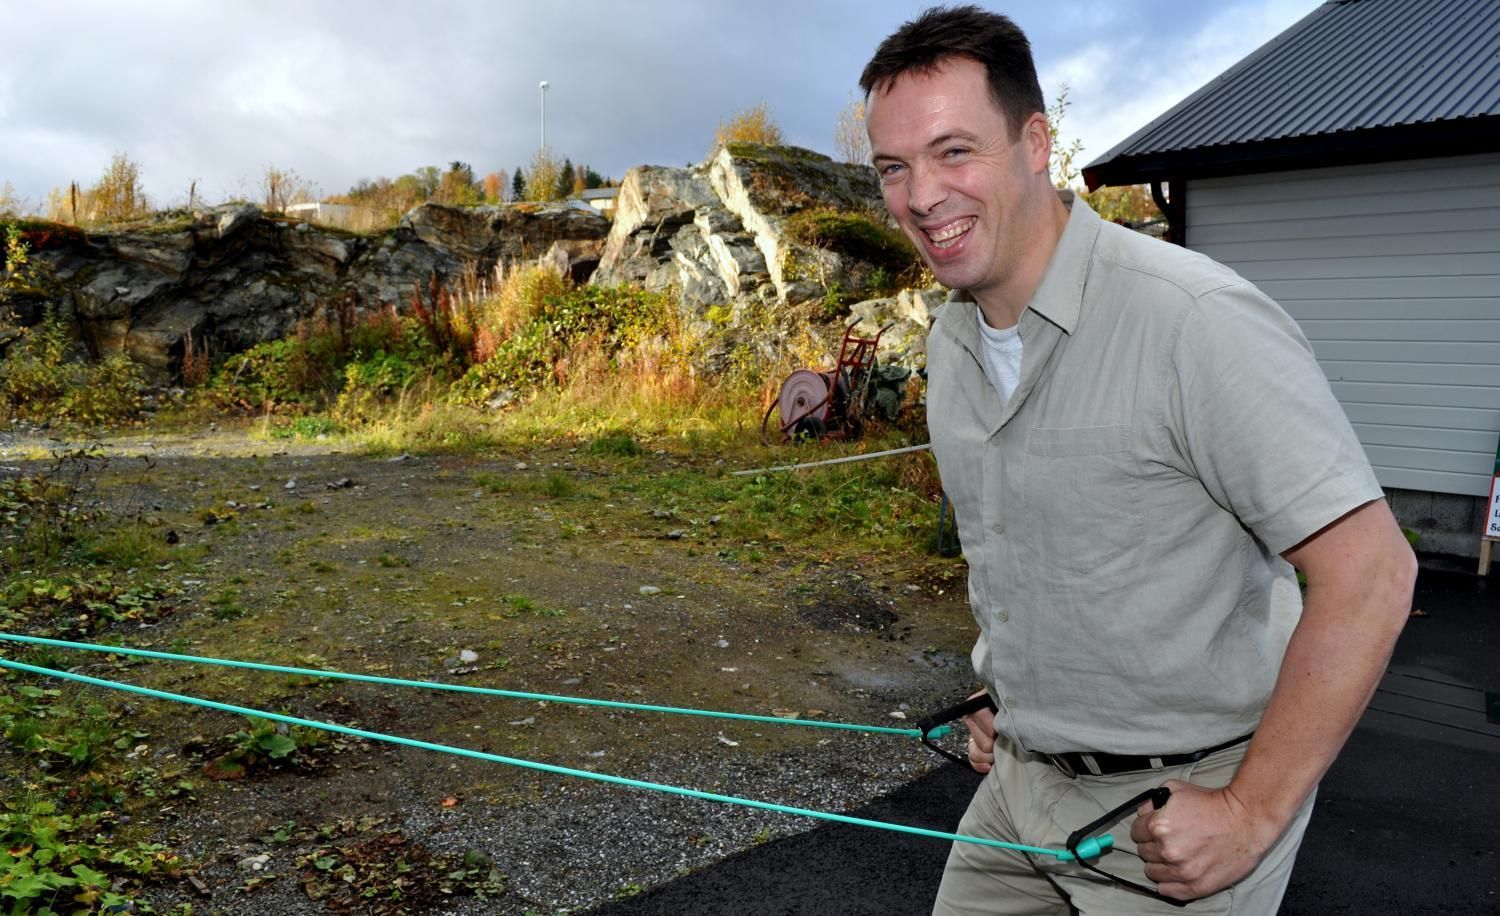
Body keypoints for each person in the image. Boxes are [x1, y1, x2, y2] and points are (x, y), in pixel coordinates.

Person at [859, 6, 1416, 914]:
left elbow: (1374, 575)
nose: (922, 196)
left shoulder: (1194, 322)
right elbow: (1038, 554)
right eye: (893, 167)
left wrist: (1249, 812)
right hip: (1020, 787)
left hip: (1179, 811)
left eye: (954, 151)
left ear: (1035, 143)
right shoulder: (951, 349)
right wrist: (1011, 693)